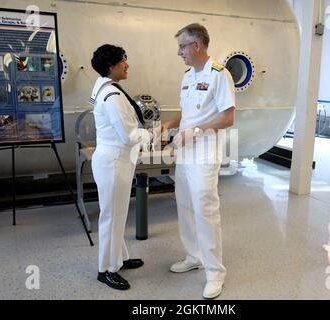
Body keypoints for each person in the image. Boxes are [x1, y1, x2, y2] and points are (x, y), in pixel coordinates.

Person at [162, 23, 236, 299]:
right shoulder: (187, 76)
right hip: (185, 153)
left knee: (206, 210)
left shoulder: (219, 75)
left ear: (197, 46)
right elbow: (187, 114)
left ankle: (215, 272)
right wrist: (168, 124)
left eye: (182, 46)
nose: (179, 52)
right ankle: (193, 255)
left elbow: (228, 117)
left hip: (204, 155)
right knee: (184, 205)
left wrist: (194, 132)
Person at [89, 44, 153, 290]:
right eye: (123, 60)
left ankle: (120, 258)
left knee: (117, 215)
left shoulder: (105, 85)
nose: (127, 64)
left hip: (115, 161)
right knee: (111, 217)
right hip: (114, 162)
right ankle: (105, 269)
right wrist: (151, 134)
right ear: (110, 66)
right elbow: (128, 135)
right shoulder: (112, 96)